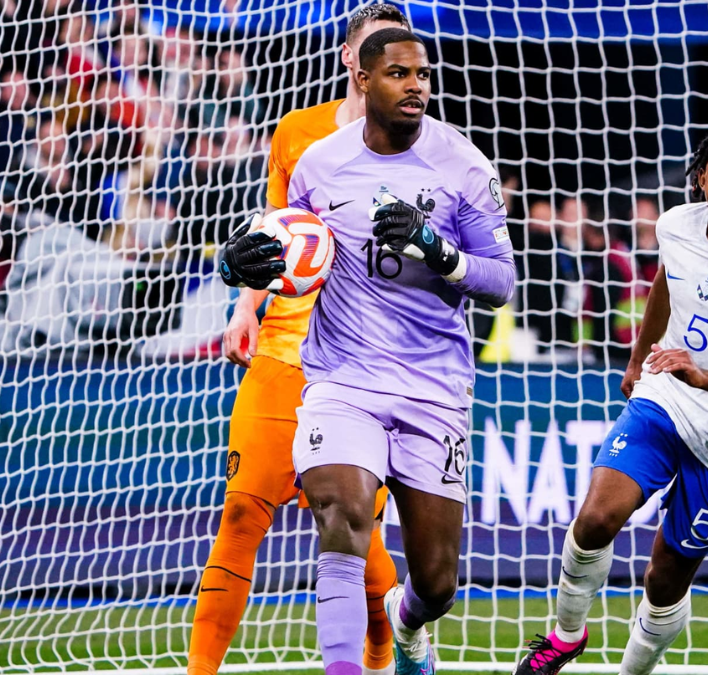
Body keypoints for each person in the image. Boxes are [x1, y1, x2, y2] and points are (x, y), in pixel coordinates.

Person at [228, 27, 515, 674]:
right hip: (342, 377)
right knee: (343, 511)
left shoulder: (464, 166)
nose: (416, 86)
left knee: (437, 582)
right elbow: (287, 249)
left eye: (422, 75)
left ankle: (408, 625)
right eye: (398, 74)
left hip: (433, 384)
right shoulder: (319, 164)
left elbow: (501, 282)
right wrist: (239, 265)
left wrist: (438, 252)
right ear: (362, 78)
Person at [512, 123, 708, 675]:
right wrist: (637, 360)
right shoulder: (675, 225)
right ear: (701, 177)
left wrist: (705, 377)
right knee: (596, 518)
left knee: (664, 580)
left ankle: (633, 672)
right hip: (665, 400)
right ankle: (565, 636)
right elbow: (667, 285)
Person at [194, 6, 411, 675]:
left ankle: (379, 658)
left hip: (362, 370)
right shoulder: (296, 132)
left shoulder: (422, 149)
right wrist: (244, 309)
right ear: (350, 57)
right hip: (282, 355)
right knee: (238, 518)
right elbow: (276, 235)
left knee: (352, 540)